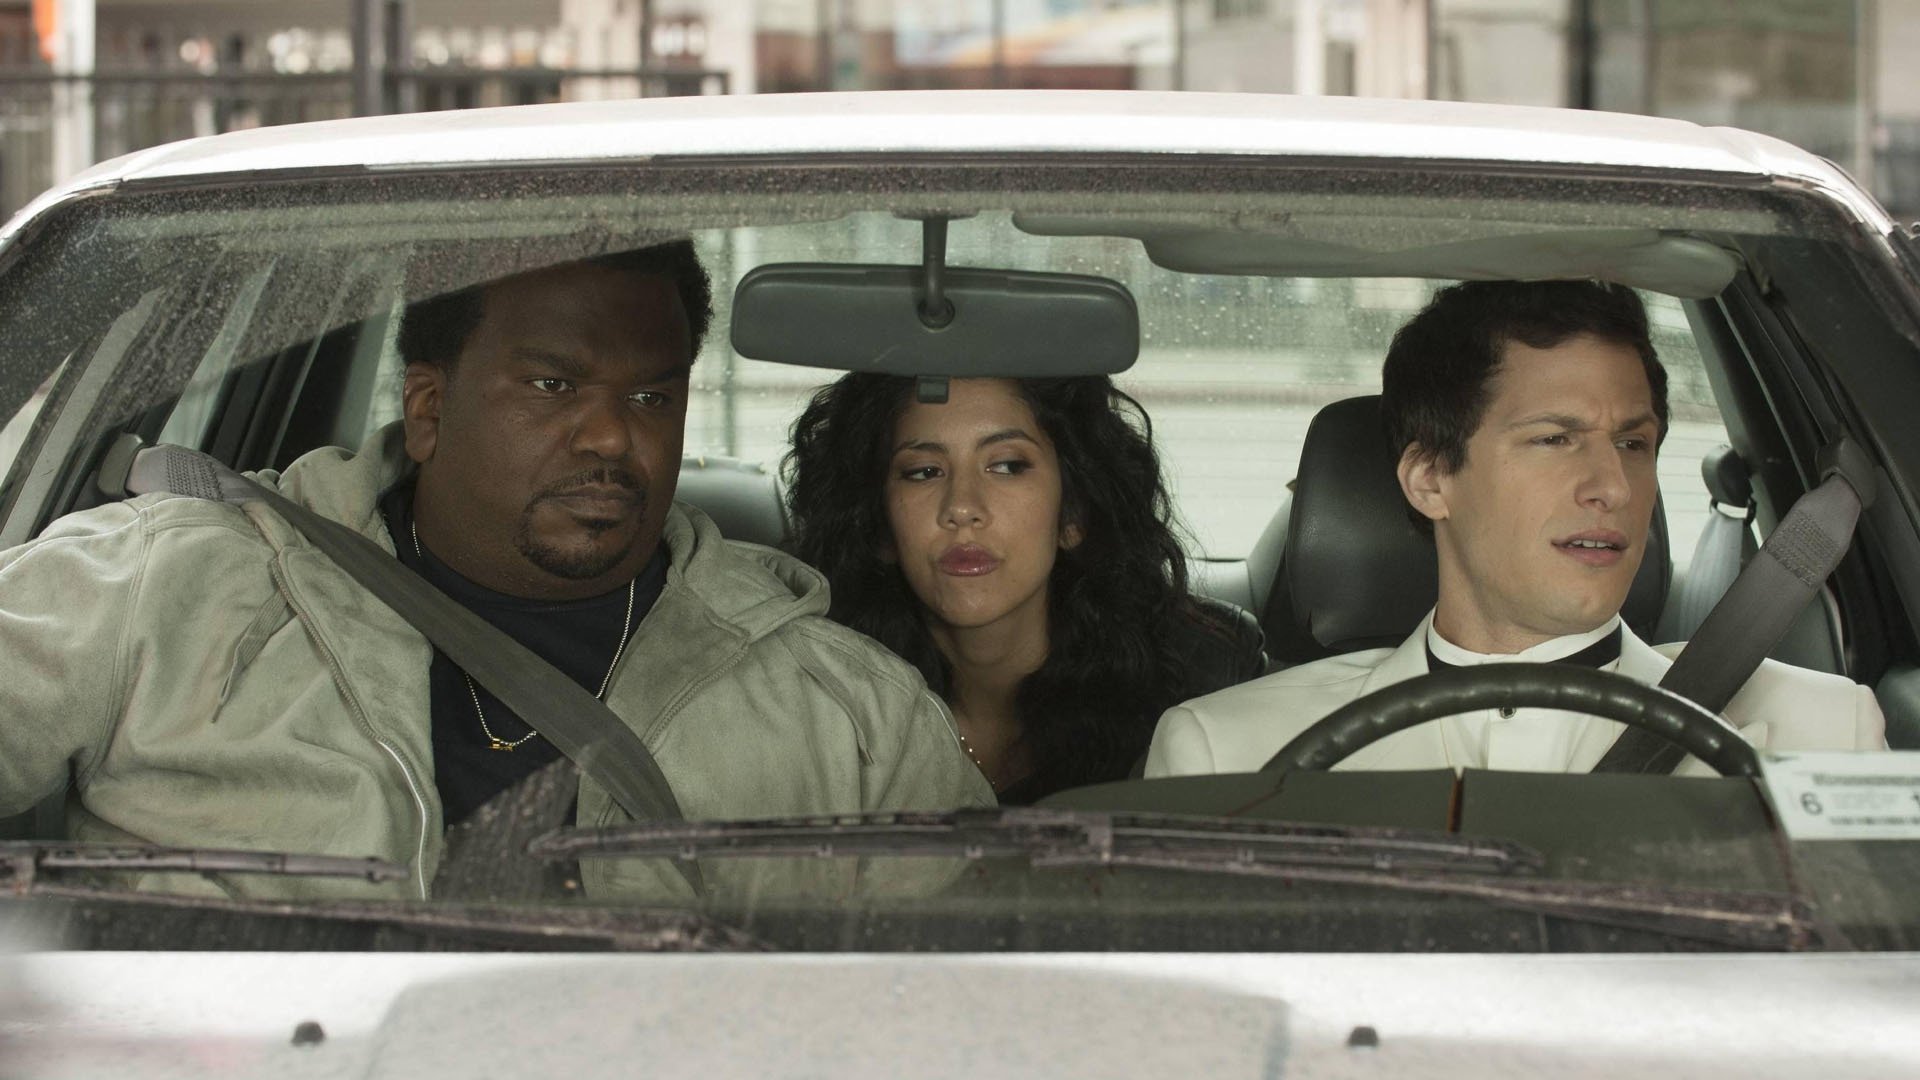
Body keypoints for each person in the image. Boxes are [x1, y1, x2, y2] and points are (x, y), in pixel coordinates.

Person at [0, 240, 992, 900]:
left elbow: (984, 989)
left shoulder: (848, 717)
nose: (612, 437)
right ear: (429, 409)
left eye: (652, 397)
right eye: (554, 384)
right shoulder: (164, 591)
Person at [1145, 280, 1886, 778]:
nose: (1613, 487)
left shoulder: (1822, 731)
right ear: (1430, 479)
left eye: (1633, 443)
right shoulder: (1228, 750)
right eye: (1555, 439)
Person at [786, 374, 1266, 803]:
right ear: (881, 526)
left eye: (1008, 466)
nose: (962, 508)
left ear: (1072, 515)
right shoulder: (804, 694)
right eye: (924, 472)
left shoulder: (1202, 682)